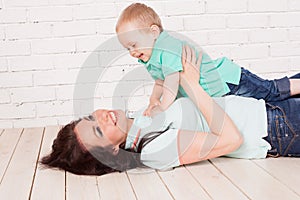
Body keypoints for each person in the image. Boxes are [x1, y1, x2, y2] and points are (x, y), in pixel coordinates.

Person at [41, 45, 300, 176]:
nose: (101, 116)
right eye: (98, 129)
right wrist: (190, 81)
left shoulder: (144, 118)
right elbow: (231, 140)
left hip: (265, 107)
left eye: (90, 117)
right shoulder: (154, 150)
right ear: (110, 152)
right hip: (277, 128)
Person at [116, 3, 300, 116]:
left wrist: (163, 107)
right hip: (220, 92)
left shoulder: (167, 47)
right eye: (127, 49)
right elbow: (160, 82)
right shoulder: (150, 58)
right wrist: (152, 101)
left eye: (134, 44)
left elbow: (171, 82)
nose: (132, 52)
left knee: (271, 91)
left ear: (153, 32)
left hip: (229, 81)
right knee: (268, 106)